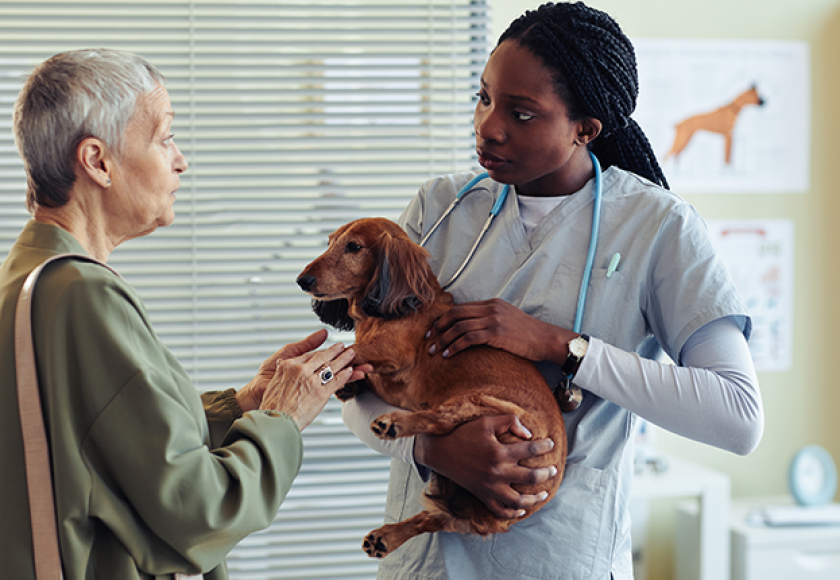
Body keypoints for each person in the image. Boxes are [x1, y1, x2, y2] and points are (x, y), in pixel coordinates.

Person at [341, 2, 764, 579]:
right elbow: (354, 383)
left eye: (521, 113)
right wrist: (429, 448)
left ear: (584, 129)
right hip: (428, 562)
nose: (488, 126)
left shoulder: (657, 227)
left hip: (560, 558)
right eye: (484, 98)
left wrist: (559, 345)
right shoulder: (439, 211)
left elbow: (737, 417)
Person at [0, 48, 371, 580]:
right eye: (164, 137)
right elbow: (198, 510)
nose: (180, 160)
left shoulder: (28, 275)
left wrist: (242, 404)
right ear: (98, 162)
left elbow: (105, 448)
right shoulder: (82, 295)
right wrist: (282, 420)